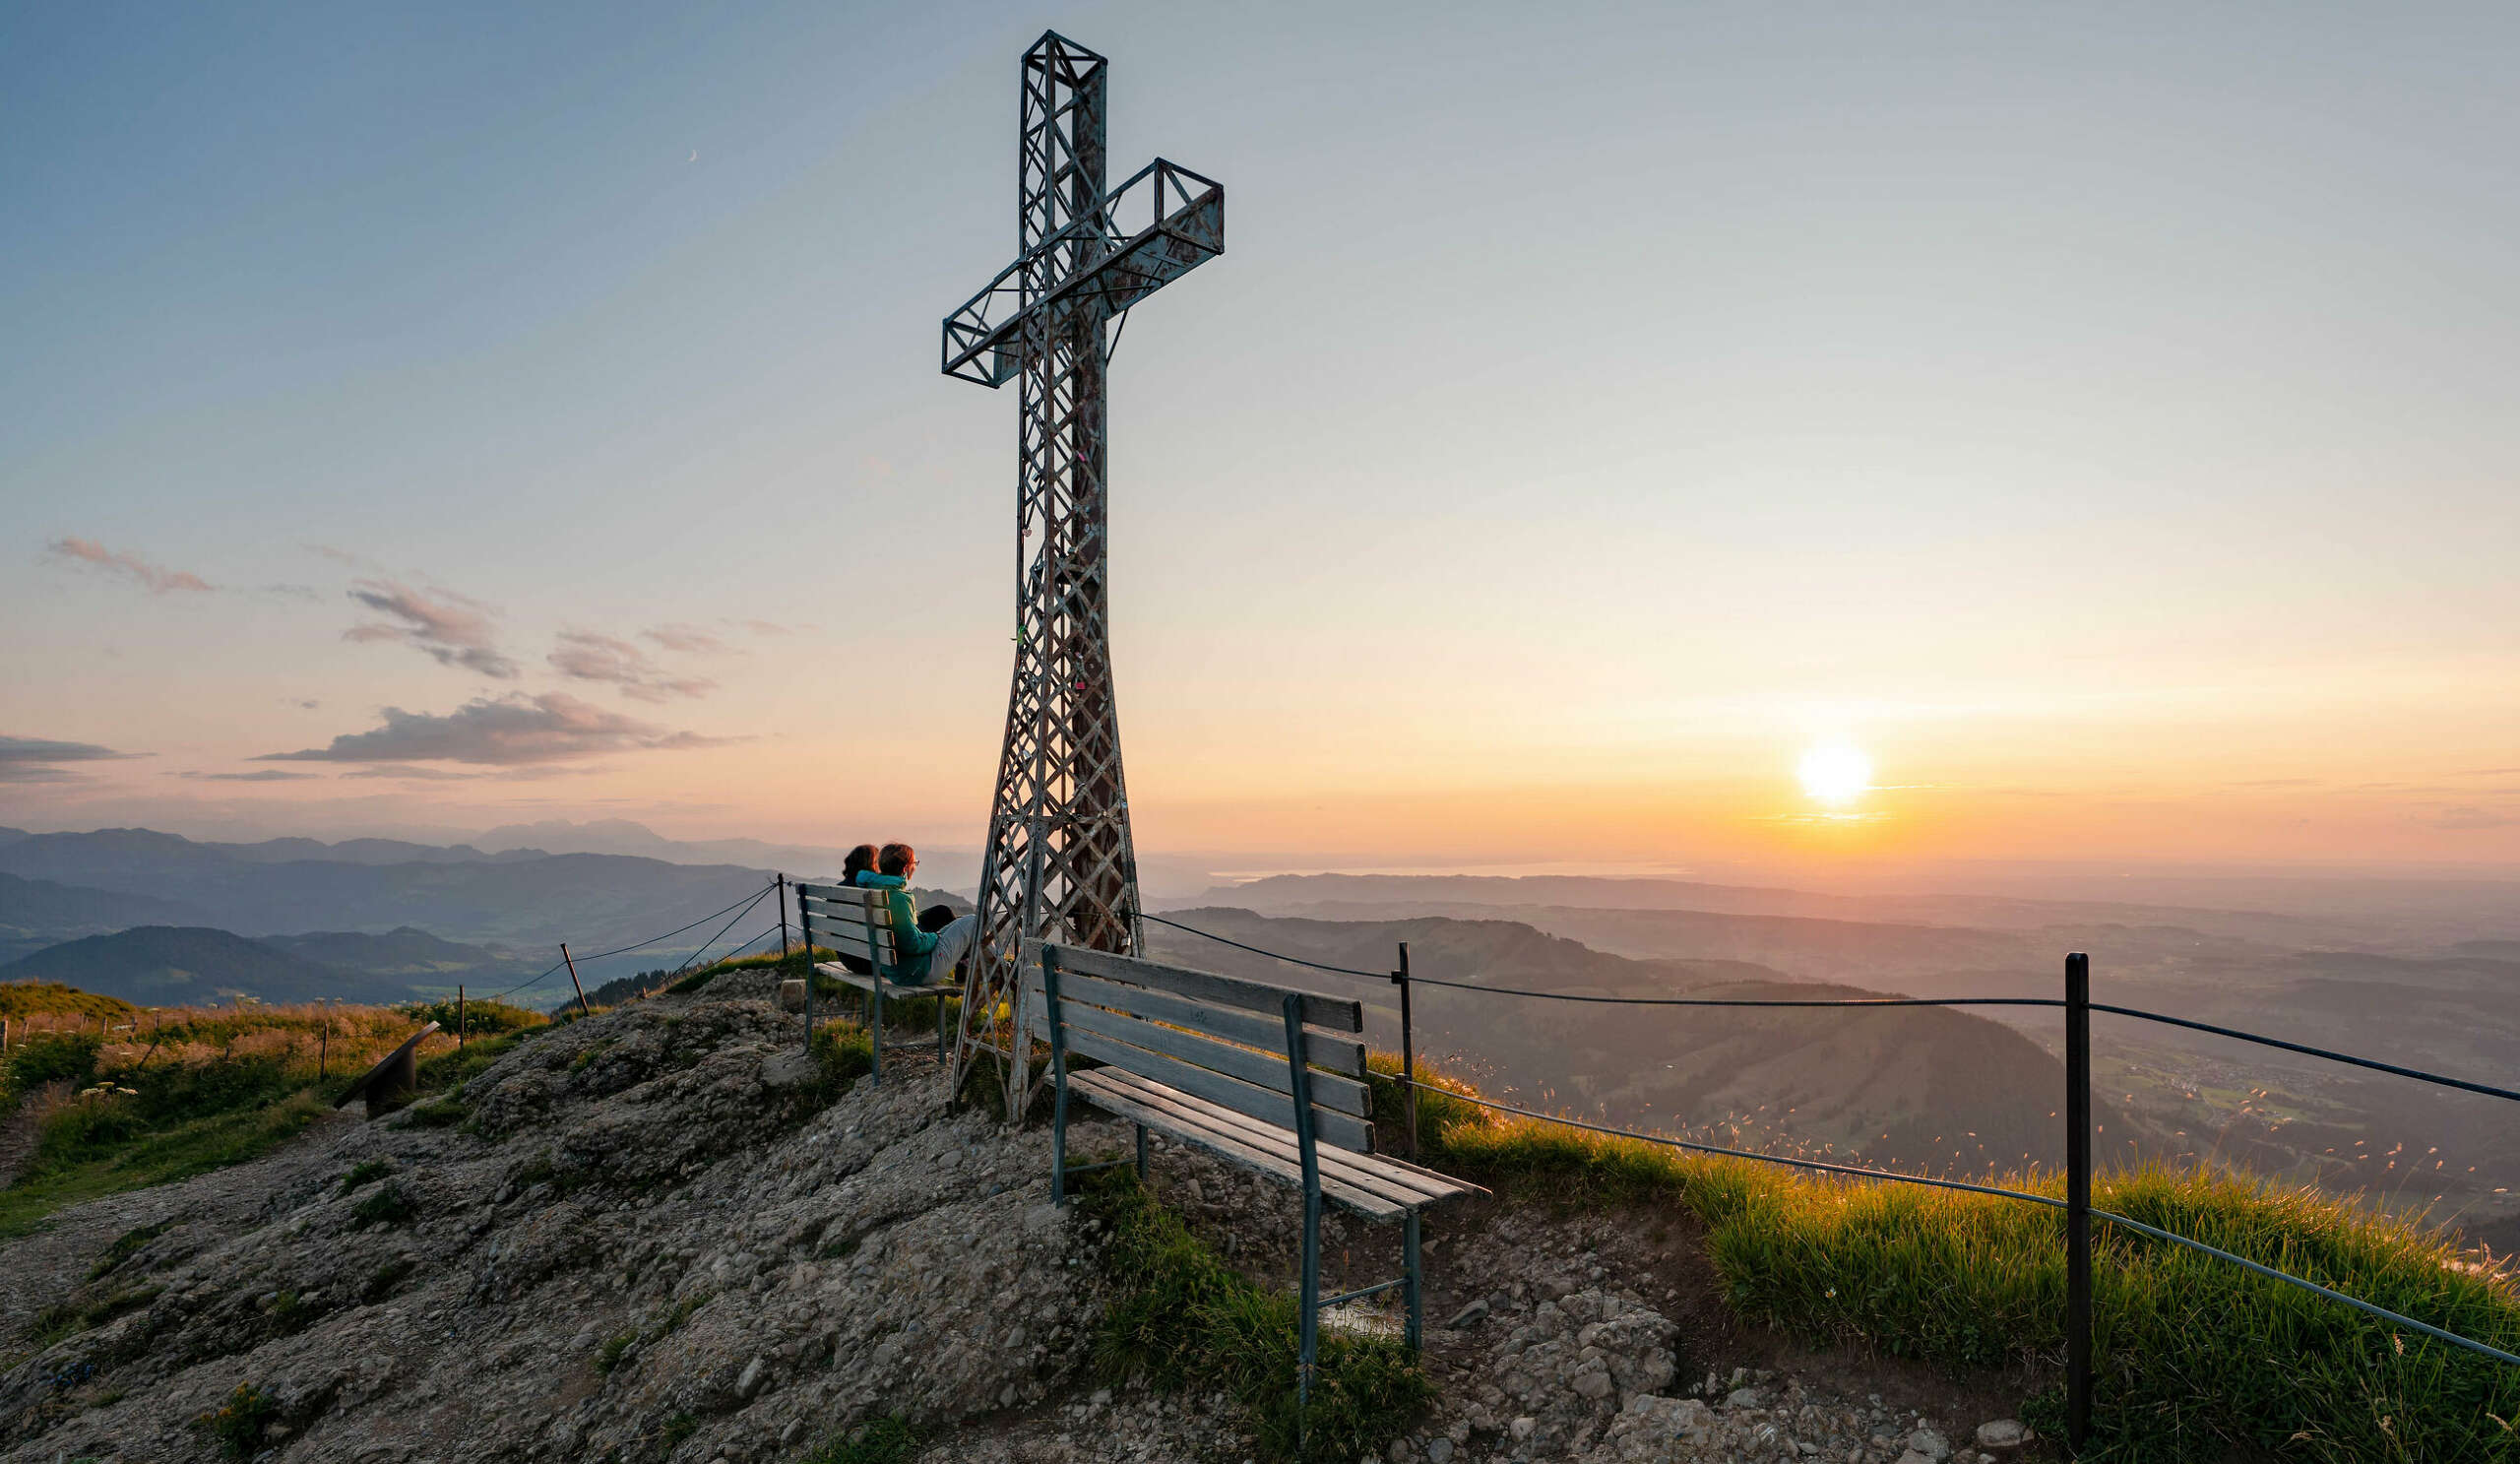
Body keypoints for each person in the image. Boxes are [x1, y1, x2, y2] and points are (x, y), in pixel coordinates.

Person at [855, 843, 978, 985]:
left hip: (895, 970)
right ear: (905, 868)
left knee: (953, 920)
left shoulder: (872, 891)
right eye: (914, 863)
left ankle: (992, 965)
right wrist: (934, 937)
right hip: (917, 971)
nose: (915, 867)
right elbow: (912, 944)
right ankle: (998, 966)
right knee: (972, 921)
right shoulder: (897, 898)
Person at [829, 845, 881, 976]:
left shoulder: (836, 891)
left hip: (848, 960)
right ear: (870, 865)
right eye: (877, 862)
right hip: (872, 962)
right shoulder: (869, 893)